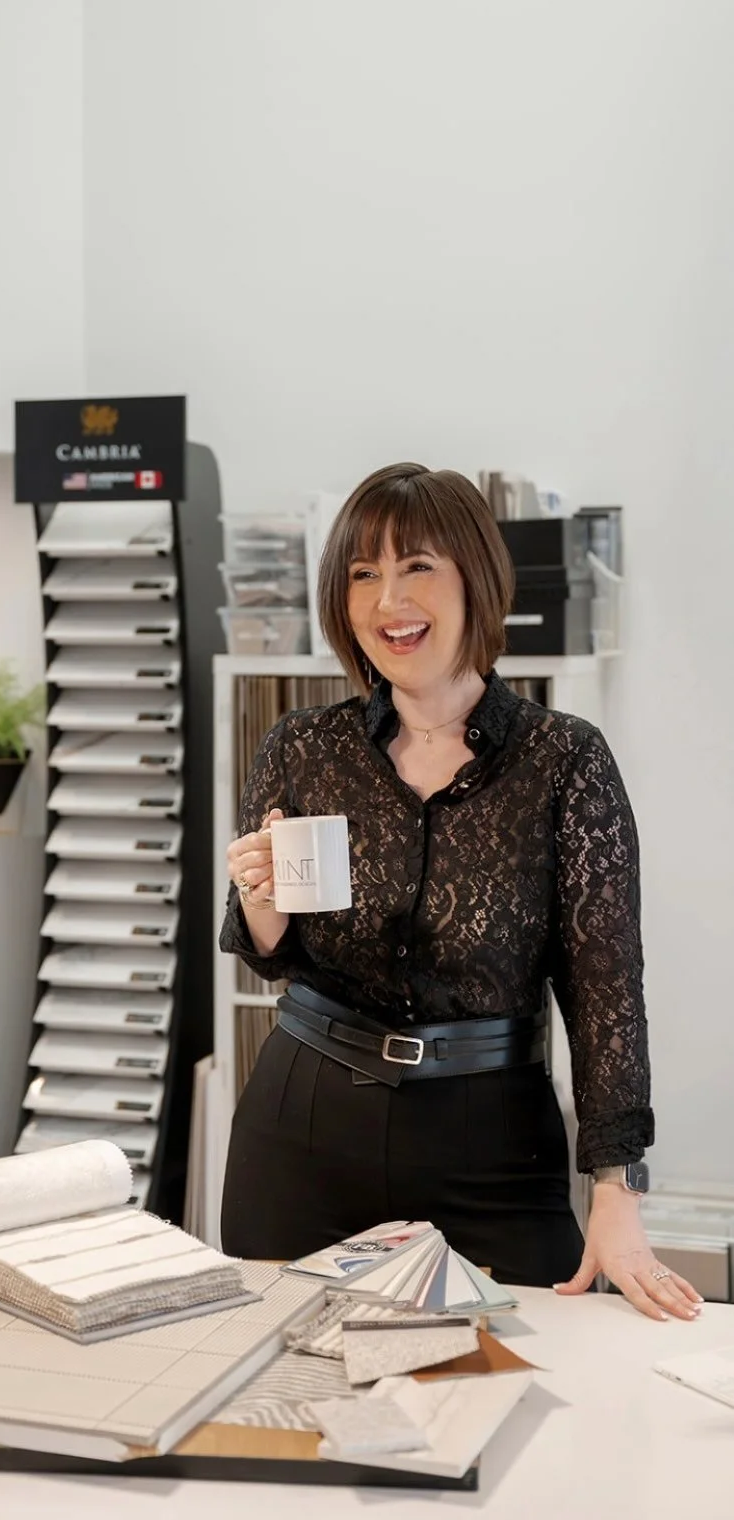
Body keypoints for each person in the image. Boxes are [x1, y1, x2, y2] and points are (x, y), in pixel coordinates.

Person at [219, 463, 700, 1322]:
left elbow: (604, 992)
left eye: (416, 567)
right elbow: (269, 955)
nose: (388, 600)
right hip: (302, 1121)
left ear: (475, 578)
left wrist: (616, 1194)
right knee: (287, 1370)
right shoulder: (302, 745)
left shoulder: (563, 760)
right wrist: (259, 905)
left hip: (492, 1138)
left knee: (514, 1363)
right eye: (362, 573)